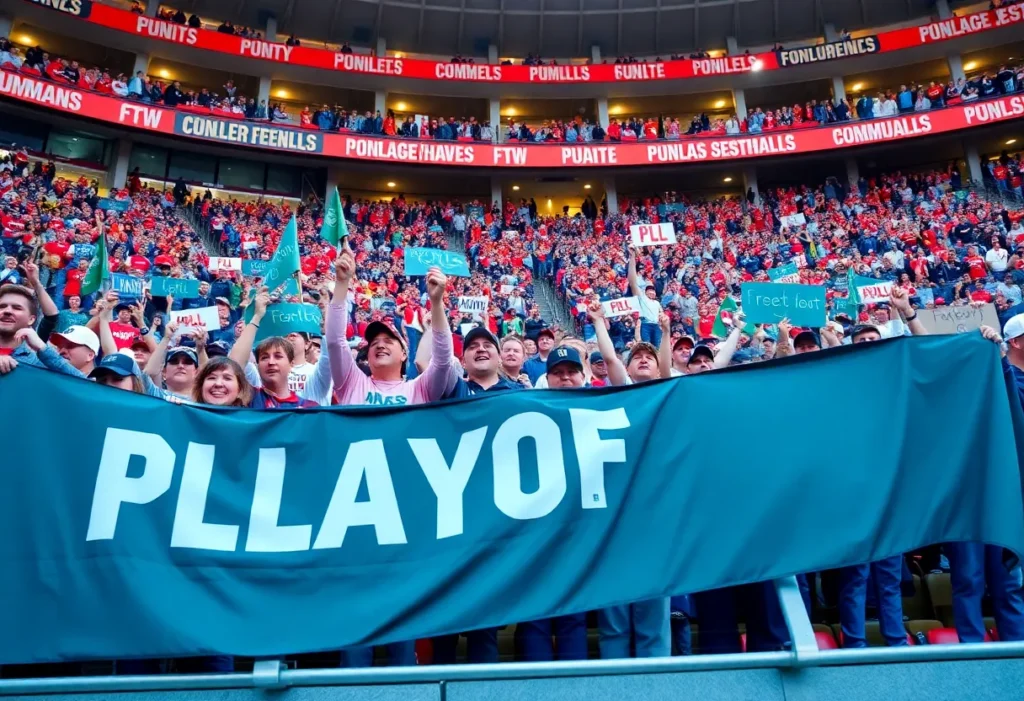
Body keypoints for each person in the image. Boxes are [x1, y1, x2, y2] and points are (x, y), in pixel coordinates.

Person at [325, 243, 457, 666]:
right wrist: (342, 285)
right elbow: (334, 342)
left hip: (406, 511)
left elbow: (443, 360)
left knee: (403, 616)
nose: (379, 345)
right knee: (355, 616)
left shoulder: (420, 389)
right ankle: (349, 691)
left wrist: (436, 303)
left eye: (389, 341)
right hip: (355, 510)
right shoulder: (351, 384)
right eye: (373, 342)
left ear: (404, 353)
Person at [587, 299, 671, 658]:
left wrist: (665, 332)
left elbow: (666, 372)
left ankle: (660, 680)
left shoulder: (666, 394)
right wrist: (598, 322)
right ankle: (614, 679)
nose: (644, 360)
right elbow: (609, 359)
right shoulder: (621, 391)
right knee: (615, 617)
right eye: (637, 357)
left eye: (649, 357)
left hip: (654, 515)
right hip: (617, 516)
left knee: (654, 615)